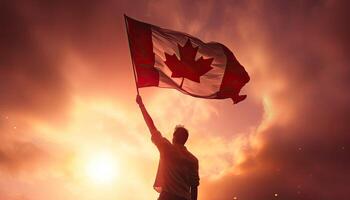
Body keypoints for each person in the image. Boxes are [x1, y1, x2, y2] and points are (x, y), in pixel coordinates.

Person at [136, 95, 200, 200]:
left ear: (174, 137)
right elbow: (194, 187)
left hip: (167, 196)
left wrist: (141, 105)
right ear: (185, 139)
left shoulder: (167, 148)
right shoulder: (193, 160)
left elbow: (151, 126)